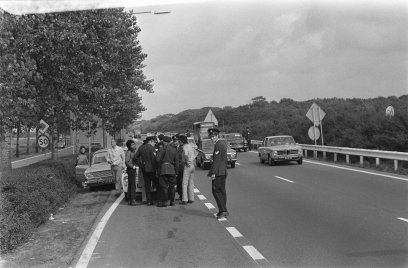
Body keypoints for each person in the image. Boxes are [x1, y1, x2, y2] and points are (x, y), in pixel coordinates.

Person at [207, 128, 229, 218]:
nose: (212, 138)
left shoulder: (218, 145)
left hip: (219, 172)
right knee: (222, 190)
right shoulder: (223, 143)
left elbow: (217, 161)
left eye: (213, 136)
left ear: (217, 136)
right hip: (223, 170)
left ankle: (223, 210)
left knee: (215, 190)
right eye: (210, 137)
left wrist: (213, 173)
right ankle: (223, 210)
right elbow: (221, 158)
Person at [155, 136, 179, 207]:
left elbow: (157, 160)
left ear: (164, 142)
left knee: (164, 186)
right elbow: (177, 162)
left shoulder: (161, 149)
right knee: (172, 187)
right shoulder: (174, 150)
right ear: (170, 142)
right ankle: (172, 201)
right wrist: (176, 172)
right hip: (172, 169)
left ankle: (165, 201)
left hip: (163, 169)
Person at [134, 136, 157, 206]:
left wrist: (140, 165)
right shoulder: (151, 148)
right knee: (157, 184)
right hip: (152, 169)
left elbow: (135, 157)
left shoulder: (141, 148)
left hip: (144, 169)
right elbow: (154, 159)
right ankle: (159, 199)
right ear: (150, 141)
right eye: (154, 142)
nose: (154, 144)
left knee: (147, 186)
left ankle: (149, 201)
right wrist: (156, 168)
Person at [180, 135, 196, 205]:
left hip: (187, 165)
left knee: (184, 183)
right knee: (191, 183)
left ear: (181, 141)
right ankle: (191, 198)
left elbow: (185, 155)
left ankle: (184, 200)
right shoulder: (190, 145)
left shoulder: (184, 147)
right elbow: (196, 153)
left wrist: (186, 162)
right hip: (192, 165)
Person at [125, 139, 138, 206]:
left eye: (134, 144)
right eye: (132, 144)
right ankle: (133, 200)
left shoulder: (132, 151)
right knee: (132, 185)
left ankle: (130, 199)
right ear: (129, 146)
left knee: (131, 184)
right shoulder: (129, 152)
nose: (134, 145)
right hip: (131, 169)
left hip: (132, 169)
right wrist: (132, 166)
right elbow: (126, 161)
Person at [172, 134, 184, 200]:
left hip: (181, 168)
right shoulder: (173, 148)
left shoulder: (182, 148)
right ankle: (180, 195)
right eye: (174, 141)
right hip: (175, 168)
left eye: (176, 141)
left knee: (180, 182)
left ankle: (182, 196)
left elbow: (182, 158)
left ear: (179, 141)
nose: (175, 142)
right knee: (176, 183)